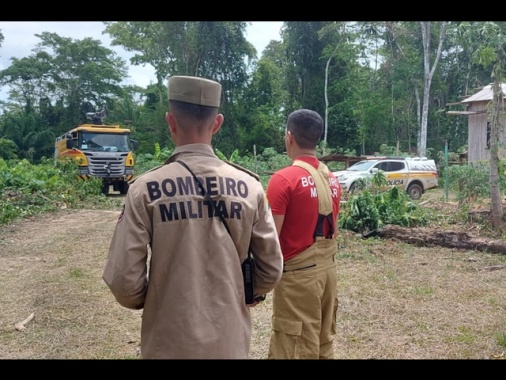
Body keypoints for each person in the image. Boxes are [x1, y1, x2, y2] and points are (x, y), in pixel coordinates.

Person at [102, 75, 283, 359]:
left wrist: (156, 301)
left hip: (167, 342)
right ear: (217, 123)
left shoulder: (144, 189)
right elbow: (271, 268)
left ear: (170, 121)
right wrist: (245, 291)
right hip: (229, 341)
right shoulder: (250, 187)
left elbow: (125, 281)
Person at [266, 108, 341, 359]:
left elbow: (270, 241)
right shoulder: (331, 178)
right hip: (328, 273)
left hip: (298, 280)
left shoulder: (284, 179)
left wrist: (256, 285)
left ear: (289, 137)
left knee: (293, 348)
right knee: (322, 344)